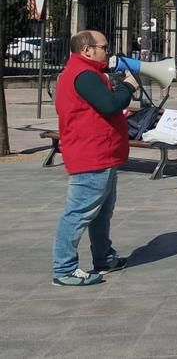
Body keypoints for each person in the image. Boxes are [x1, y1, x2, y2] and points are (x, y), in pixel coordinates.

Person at [51, 30, 138, 286]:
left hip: (100, 152)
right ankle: (64, 268)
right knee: (79, 213)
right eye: (104, 46)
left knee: (101, 212)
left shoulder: (86, 73)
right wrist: (128, 87)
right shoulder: (84, 75)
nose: (108, 51)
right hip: (91, 154)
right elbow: (110, 105)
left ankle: (103, 257)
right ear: (87, 50)